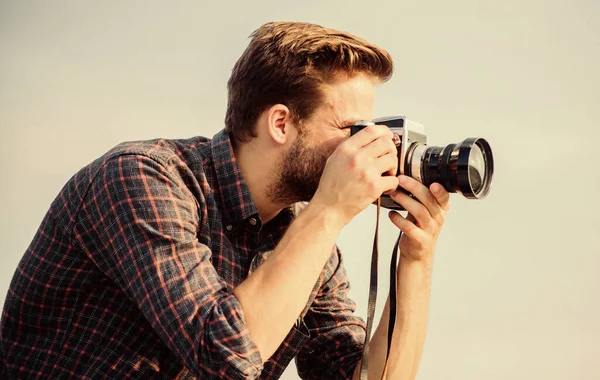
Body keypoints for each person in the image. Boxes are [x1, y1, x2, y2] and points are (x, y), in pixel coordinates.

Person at [0, 21, 450, 379]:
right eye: (351, 129)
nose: (367, 148)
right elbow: (226, 357)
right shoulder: (143, 179)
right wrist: (329, 211)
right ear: (280, 123)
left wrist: (415, 263)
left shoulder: (308, 244)